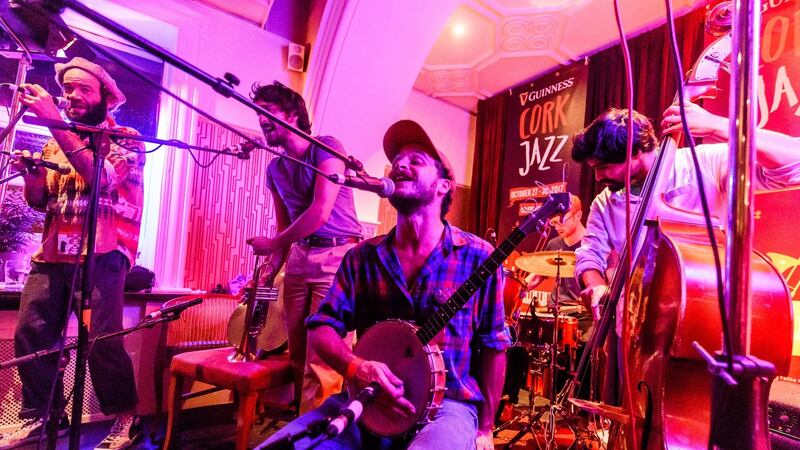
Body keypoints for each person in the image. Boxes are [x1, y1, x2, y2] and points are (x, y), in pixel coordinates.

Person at [260, 119, 510, 450]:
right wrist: (356, 366)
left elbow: (494, 345)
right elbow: (321, 328)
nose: (400, 166)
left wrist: (486, 429)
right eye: (396, 162)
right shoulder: (361, 257)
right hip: (367, 401)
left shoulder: (479, 256)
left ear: (444, 186)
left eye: (416, 160)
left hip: (448, 407)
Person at [572, 103, 800, 401]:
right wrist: (597, 286)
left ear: (636, 151)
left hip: (698, 327)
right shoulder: (605, 202)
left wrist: (720, 125)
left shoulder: (703, 163)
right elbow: (590, 254)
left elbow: (794, 165)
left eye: (603, 168)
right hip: (630, 329)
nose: (599, 177)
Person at [0, 57, 145, 450]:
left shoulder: (124, 137)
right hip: (52, 254)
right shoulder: (55, 142)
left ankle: (125, 421)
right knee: (32, 333)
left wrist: (54, 122)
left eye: (84, 89)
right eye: (69, 89)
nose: (74, 95)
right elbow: (39, 201)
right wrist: (32, 176)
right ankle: (43, 418)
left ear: (105, 98)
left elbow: (102, 179)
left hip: (104, 252)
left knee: (103, 341)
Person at [246, 82, 362, 413]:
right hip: (298, 259)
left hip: (336, 257)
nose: (261, 119)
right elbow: (285, 228)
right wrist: (267, 274)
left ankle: (318, 438)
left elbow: (320, 211)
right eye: (257, 114)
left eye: (268, 111)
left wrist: (273, 244)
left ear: (294, 114)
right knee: (297, 356)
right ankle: (306, 429)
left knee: (324, 360)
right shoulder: (275, 170)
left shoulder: (326, 147)